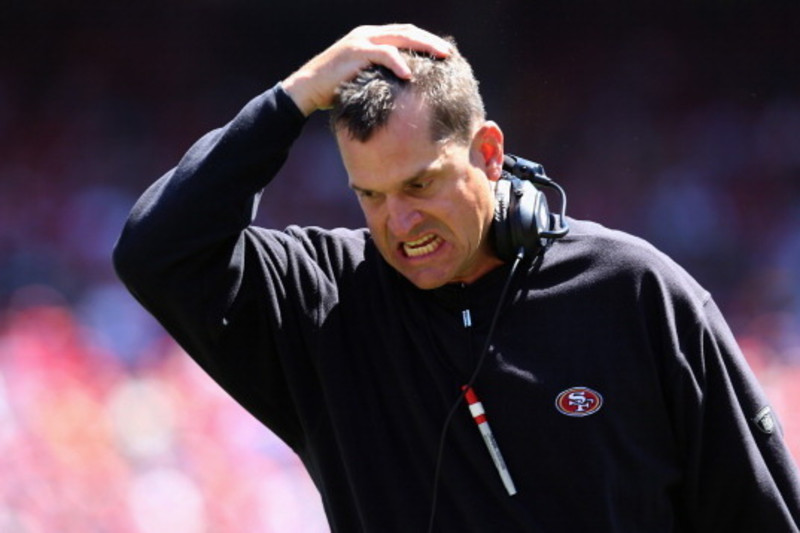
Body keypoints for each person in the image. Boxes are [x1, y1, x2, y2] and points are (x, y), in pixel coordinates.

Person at [113, 23, 800, 532]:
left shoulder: (639, 293)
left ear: (490, 153)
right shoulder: (320, 302)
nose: (400, 222)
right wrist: (291, 98)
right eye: (371, 195)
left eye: (420, 183)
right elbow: (157, 249)